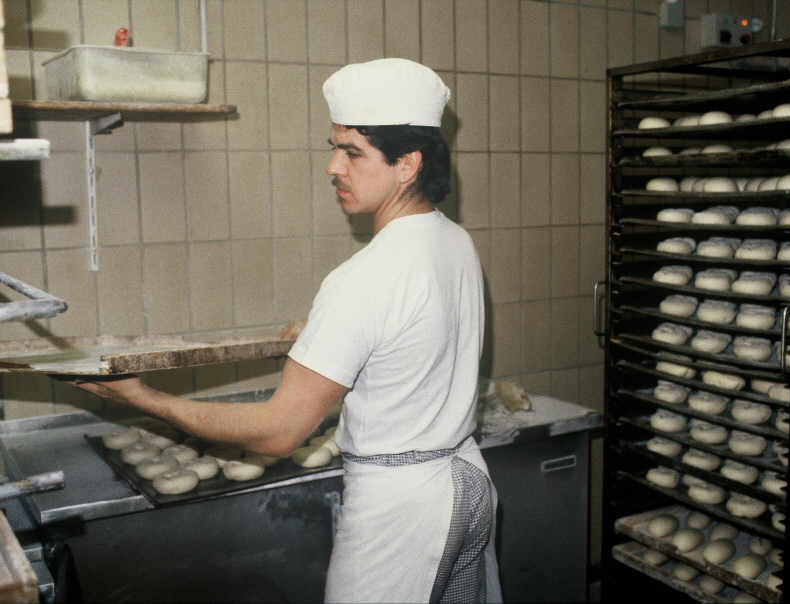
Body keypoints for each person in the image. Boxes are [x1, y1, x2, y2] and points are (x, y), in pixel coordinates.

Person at [66, 58, 502, 603]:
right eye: (333, 147)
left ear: (407, 164)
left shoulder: (364, 276)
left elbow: (277, 432)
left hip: (403, 516)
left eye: (352, 152)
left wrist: (144, 398)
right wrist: (326, 340)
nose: (332, 168)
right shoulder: (454, 242)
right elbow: (413, 341)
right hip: (465, 483)